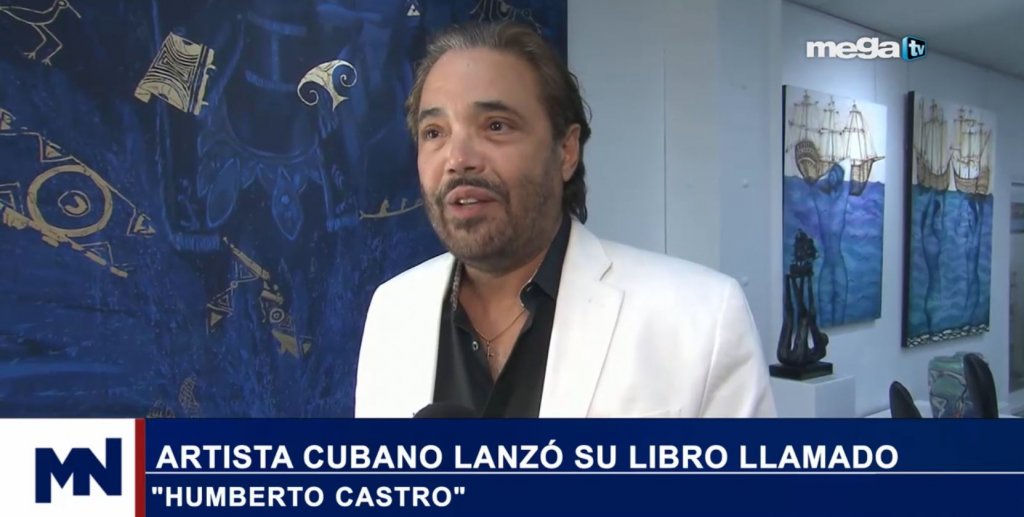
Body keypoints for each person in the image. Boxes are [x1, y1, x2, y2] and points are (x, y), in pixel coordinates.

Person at [355, 21, 775, 418]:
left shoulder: (701, 317)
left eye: (496, 126)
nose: (458, 159)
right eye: (434, 132)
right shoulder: (393, 311)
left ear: (566, 151)